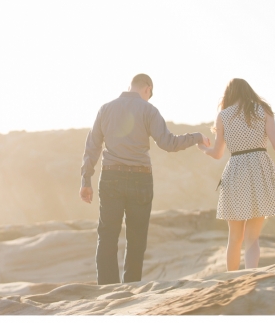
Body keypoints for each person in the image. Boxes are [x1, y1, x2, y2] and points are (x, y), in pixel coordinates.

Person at [80, 73, 210, 285]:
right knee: (136, 239)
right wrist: (196, 137)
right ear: (147, 88)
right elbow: (169, 143)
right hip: (140, 179)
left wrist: (86, 180)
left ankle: (107, 290)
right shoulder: (149, 110)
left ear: (130, 86)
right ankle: (130, 289)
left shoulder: (105, 109)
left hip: (111, 176)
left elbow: (92, 147)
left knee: (107, 236)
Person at [197, 78, 275, 271]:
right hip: (260, 171)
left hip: (235, 171)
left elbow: (217, 153)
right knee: (252, 238)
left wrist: (203, 148)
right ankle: (251, 277)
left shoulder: (223, 116)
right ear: (248, 91)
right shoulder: (262, 110)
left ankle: (231, 281)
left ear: (229, 95)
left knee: (234, 238)